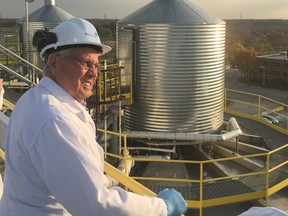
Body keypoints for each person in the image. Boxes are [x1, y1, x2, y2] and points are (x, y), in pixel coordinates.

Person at [0, 18, 188, 216]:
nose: (95, 74)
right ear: (54, 63)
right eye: (85, 63)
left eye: (97, 65)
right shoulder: (54, 119)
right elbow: (97, 204)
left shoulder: (34, 98)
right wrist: (162, 207)